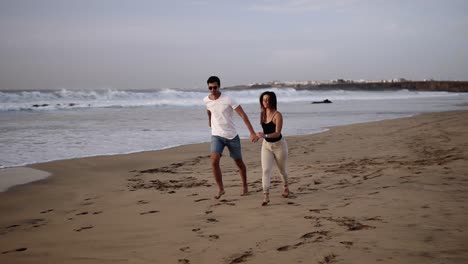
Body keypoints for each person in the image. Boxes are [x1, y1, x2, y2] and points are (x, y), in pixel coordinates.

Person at [203, 76, 259, 199]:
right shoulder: (206, 100)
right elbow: (209, 110)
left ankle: (245, 185)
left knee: (239, 162)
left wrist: (252, 132)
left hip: (232, 136)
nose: (212, 90)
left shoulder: (228, 99)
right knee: (214, 160)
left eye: (215, 87)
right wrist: (209, 121)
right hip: (216, 135)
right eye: (210, 87)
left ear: (219, 86)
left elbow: (242, 114)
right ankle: (221, 189)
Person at [256, 91, 289, 206]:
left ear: (273, 101)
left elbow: (277, 133)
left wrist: (264, 136)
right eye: (264, 100)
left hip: (279, 145)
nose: (265, 102)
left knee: (282, 170)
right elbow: (264, 132)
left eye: (268, 100)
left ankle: (285, 186)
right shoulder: (262, 113)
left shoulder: (277, 115)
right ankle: (266, 195)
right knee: (266, 170)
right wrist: (258, 136)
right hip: (266, 146)